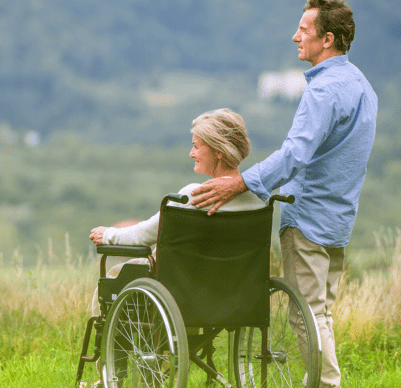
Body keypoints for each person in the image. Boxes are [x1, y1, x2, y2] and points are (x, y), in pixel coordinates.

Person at [191, 1, 377, 387]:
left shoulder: (322, 92)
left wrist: (239, 183)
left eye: (304, 30)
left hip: (307, 218)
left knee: (306, 316)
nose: (296, 36)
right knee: (321, 315)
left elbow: (294, 155)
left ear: (327, 39)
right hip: (340, 219)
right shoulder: (363, 87)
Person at [88, 108, 267, 315]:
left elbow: (144, 235)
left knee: (117, 275)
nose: (191, 154)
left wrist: (109, 235)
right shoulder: (259, 200)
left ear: (218, 151)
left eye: (196, 147)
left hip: (185, 289)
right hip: (237, 292)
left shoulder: (194, 195)